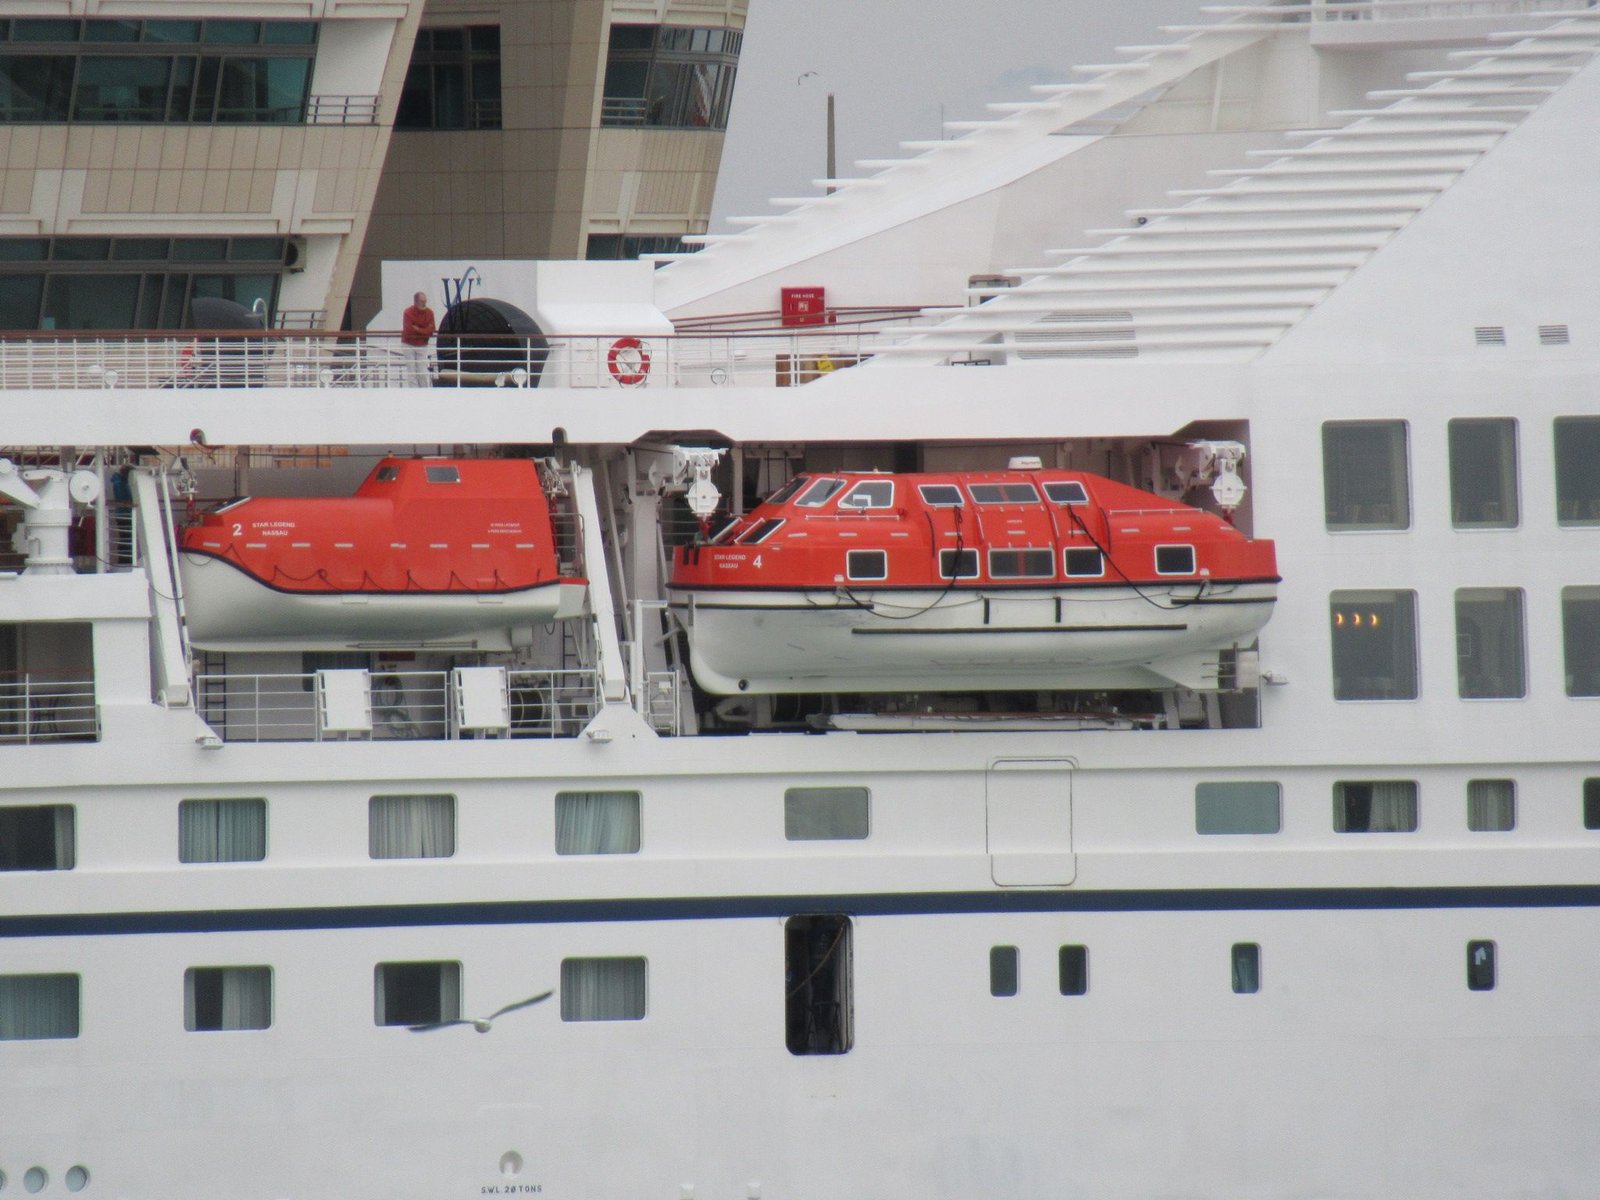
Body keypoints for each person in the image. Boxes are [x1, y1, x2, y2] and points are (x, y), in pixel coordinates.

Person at [401, 291, 436, 386]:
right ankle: (414, 393)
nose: (424, 303)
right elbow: (409, 330)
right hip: (408, 344)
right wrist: (424, 330)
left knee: (422, 371)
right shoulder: (408, 312)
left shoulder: (429, 313)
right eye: (421, 301)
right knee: (411, 371)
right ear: (415, 302)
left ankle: (424, 392)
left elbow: (431, 330)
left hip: (422, 345)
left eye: (425, 301)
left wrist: (418, 329)